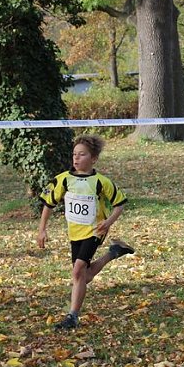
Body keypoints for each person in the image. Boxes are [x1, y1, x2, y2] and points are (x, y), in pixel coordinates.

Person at [37, 134, 135, 330]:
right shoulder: (63, 180)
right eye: (74, 154)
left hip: (95, 231)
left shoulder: (101, 182)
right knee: (83, 276)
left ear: (93, 159)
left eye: (82, 155)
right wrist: (42, 230)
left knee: (77, 271)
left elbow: (119, 204)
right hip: (75, 233)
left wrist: (107, 223)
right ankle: (114, 252)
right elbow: (49, 204)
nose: (76, 158)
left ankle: (72, 316)